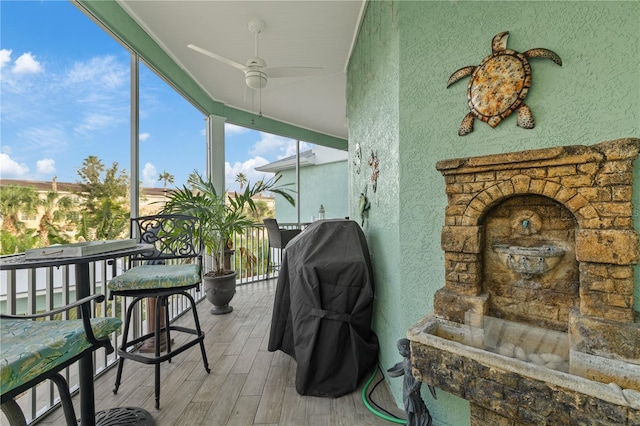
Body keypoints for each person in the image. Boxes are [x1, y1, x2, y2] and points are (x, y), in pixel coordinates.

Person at [387, 338, 436, 426]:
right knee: (406, 403)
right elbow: (402, 368)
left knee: (414, 406)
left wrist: (414, 388)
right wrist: (394, 371)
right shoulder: (406, 360)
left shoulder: (415, 361)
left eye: (400, 349)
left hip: (412, 386)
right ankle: (410, 422)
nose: (399, 352)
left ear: (406, 348)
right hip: (406, 384)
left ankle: (419, 422)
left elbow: (419, 376)